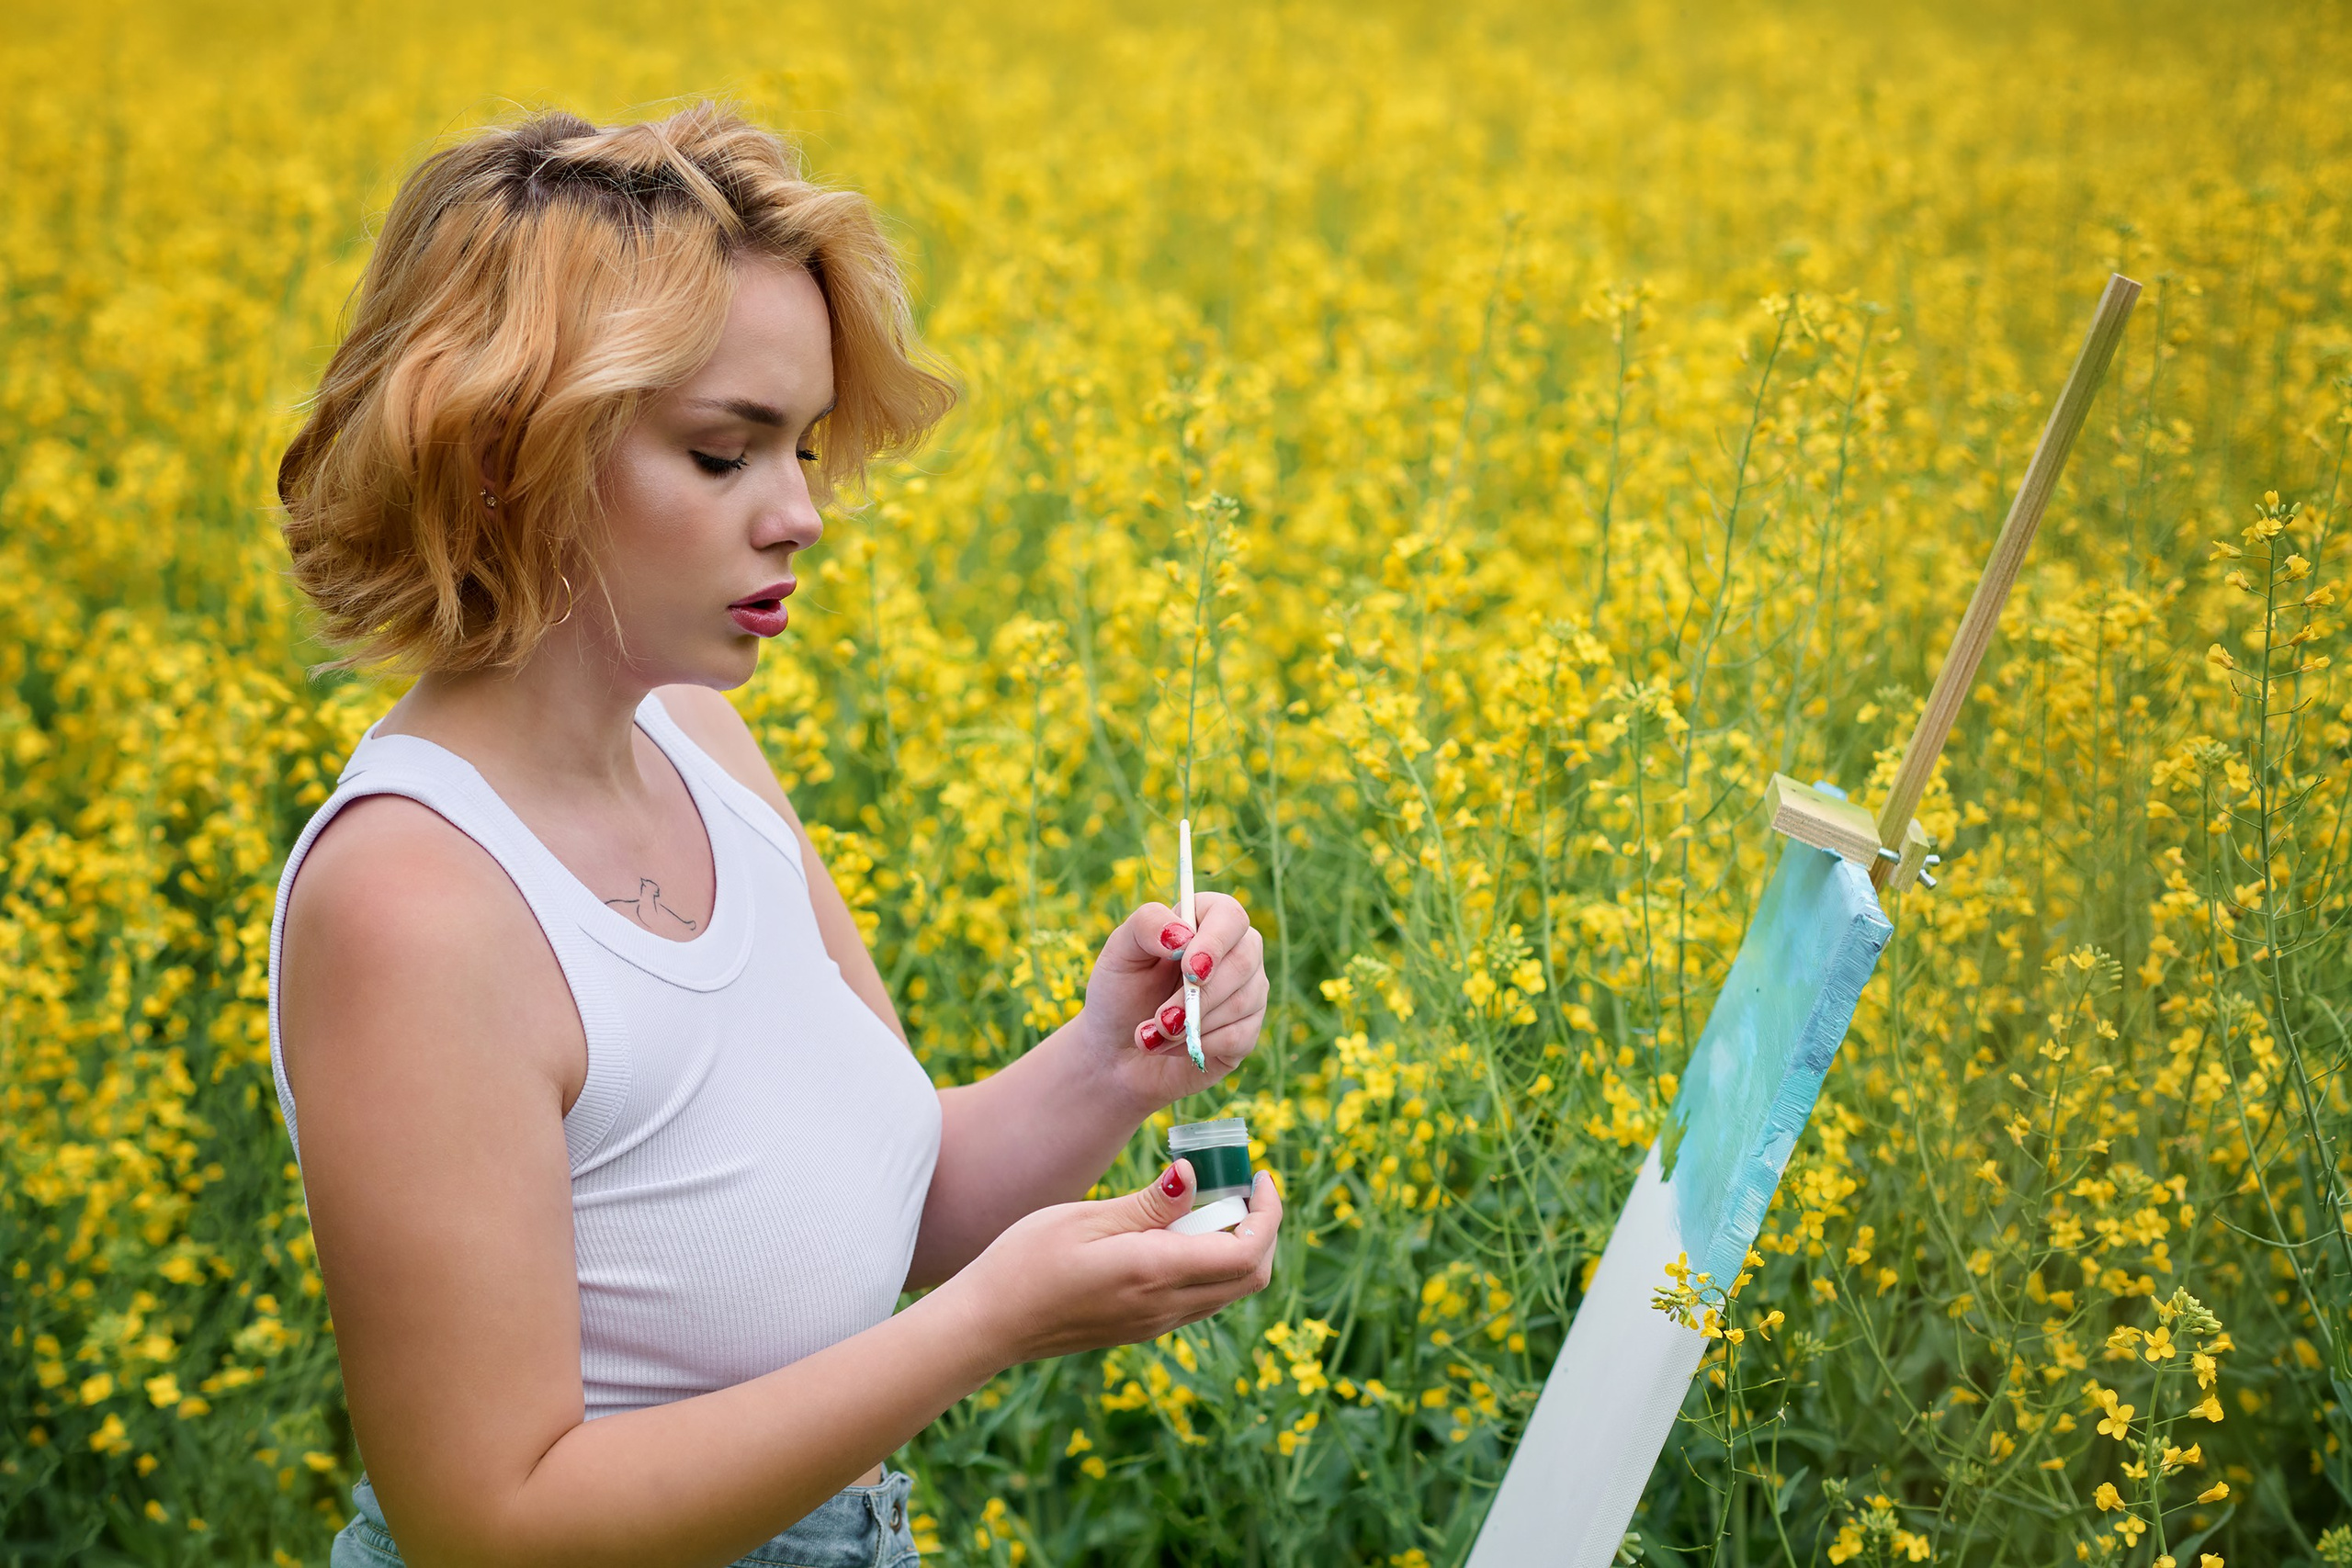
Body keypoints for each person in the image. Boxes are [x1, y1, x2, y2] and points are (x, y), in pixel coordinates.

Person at [268, 102, 1280, 1568]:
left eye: (801, 448)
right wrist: (984, 1329)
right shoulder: (415, 902)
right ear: (510, 455)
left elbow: (888, 1201)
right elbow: (488, 1523)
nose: (802, 514)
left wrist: (1120, 1062)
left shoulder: (699, 744)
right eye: (724, 453)